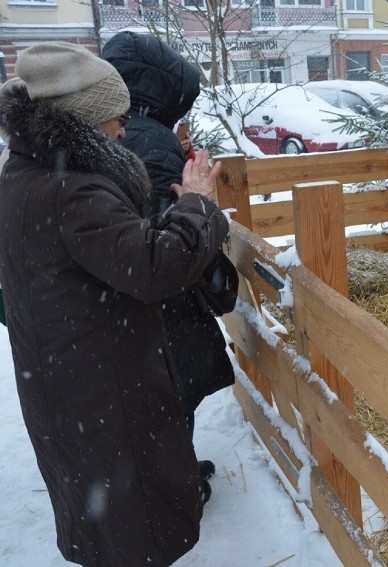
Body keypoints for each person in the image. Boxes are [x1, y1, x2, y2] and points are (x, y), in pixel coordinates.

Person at [0, 42, 227, 566]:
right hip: (102, 394)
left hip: (69, 381)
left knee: (107, 522)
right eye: (115, 119)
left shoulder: (24, 171)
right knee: (133, 528)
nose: (124, 131)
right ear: (84, 122)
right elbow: (157, 266)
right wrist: (196, 202)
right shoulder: (71, 191)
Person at [102, 31, 236, 499]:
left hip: (123, 305)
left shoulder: (118, 135)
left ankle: (166, 475)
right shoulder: (152, 142)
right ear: (161, 89)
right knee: (171, 398)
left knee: (154, 403)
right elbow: (168, 242)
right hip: (164, 306)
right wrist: (200, 205)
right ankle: (174, 490)